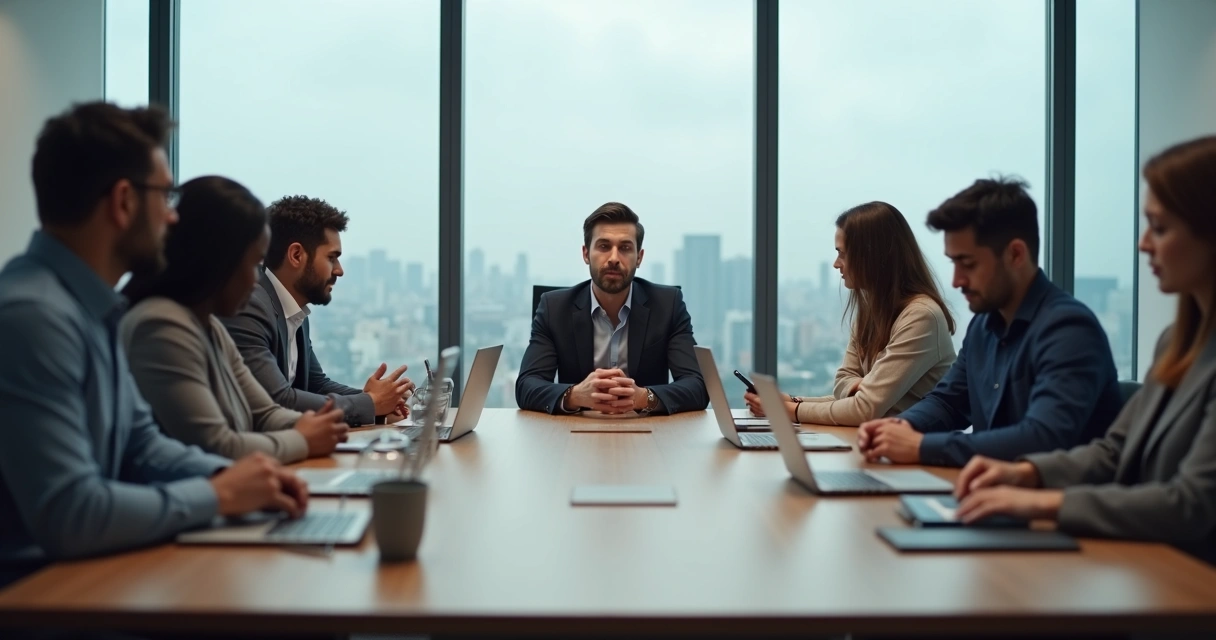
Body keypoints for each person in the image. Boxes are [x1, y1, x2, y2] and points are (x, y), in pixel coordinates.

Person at [0, 102, 308, 588]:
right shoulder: (33, 318)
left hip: (91, 576)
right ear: (123, 202)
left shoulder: (92, 310)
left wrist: (249, 478)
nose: (172, 217)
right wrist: (219, 496)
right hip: (40, 598)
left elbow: (142, 447)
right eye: (164, 197)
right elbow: (70, 512)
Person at [955, 136, 1216, 565]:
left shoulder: (1065, 324)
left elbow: (1190, 503)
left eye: (1161, 228)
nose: (1143, 244)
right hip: (1148, 566)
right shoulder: (1177, 341)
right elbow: (1114, 451)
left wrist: (1042, 503)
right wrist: (1026, 473)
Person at [857, 177, 1122, 467]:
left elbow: (1043, 438)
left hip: (1054, 505)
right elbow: (947, 402)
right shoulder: (983, 326)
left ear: (1015, 254)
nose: (956, 281)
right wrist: (899, 428)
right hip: (993, 494)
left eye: (968, 264)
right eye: (953, 263)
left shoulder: (1069, 330)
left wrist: (921, 447)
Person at [120, 177, 350, 464]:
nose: (256, 279)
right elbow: (216, 444)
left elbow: (265, 412)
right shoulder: (161, 326)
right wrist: (303, 438)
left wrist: (320, 429)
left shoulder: (210, 327)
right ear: (220, 261)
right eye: (253, 264)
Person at [744, 202, 956, 426]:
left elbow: (863, 409)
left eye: (842, 254)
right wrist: (793, 401)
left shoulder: (920, 316)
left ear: (873, 256)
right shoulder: (871, 313)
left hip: (914, 453)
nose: (836, 264)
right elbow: (843, 386)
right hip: (879, 443)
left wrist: (787, 410)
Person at [220, 195, 414, 426]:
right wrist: (370, 403)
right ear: (296, 255)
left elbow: (316, 384)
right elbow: (277, 400)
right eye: (332, 258)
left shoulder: (294, 309)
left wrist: (381, 402)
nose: (340, 271)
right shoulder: (250, 305)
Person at [515, 202, 709, 415]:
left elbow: (698, 386)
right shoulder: (554, 308)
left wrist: (643, 397)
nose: (614, 258)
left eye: (625, 248)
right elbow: (526, 386)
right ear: (586, 254)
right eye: (604, 246)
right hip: (573, 434)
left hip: (649, 434)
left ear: (639, 258)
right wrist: (576, 394)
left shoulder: (667, 305)